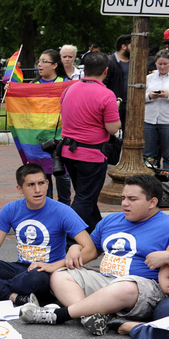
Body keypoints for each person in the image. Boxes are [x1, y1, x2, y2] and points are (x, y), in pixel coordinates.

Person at [20, 174, 169, 336]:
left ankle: (57, 315)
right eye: (123, 198)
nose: (125, 203)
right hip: (105, 280)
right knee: (60, 276)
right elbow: (90, 250)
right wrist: (75, 248)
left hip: (141, 289)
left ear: (152, 202)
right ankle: (91, 316)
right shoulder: (110, 220)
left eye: (132, 199)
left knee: (124, 287)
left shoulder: (166, 225)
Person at [0, 164, 95, 304]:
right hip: (21, 268)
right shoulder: (10, 209)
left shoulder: (62, 211)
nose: (37, 190)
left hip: (47, 271)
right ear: (20, 189)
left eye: (41, 183)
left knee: (37, 278)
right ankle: (12, 294)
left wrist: (53, 267)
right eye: (30, 185)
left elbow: (90, 250)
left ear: (47, 184)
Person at [59, 51, 121, 233]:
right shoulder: (107, 95)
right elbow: (112, 128)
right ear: (106, 71)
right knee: (85, 198)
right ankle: (67, 236)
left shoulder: (69, 89)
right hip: (92, 155)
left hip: (68, 152)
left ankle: (96, 232)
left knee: (85, 195)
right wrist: (115, 109)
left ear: (84, 69)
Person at [32, 49, 72, 205]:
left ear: (55, 65)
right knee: (42, 177)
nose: (40, 65)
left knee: (62, 175)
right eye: (39, 61)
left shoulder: (65, 84)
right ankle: (46, 208)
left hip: (60, 139)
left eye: (44, 61)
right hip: (39, 140)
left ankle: (64, 208)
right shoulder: (33, 85)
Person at [144, 49, 169, 169]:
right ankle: (149, 176)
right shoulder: (148, 78)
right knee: (148, 153)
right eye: (160, 64)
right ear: (155, 64)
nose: (162, 66)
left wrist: (168, 95)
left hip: (167, 121)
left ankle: (166, 177)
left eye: (165, 64)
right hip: (149, 120)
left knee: (168, 154)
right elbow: (139, 98)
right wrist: (150, 96)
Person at [103, 34, 131, 127]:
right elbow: (104, 84)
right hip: (115, 105)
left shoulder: (134, 62)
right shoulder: (110, 62)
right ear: (123, 46)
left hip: (131, 104)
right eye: (132, 46)